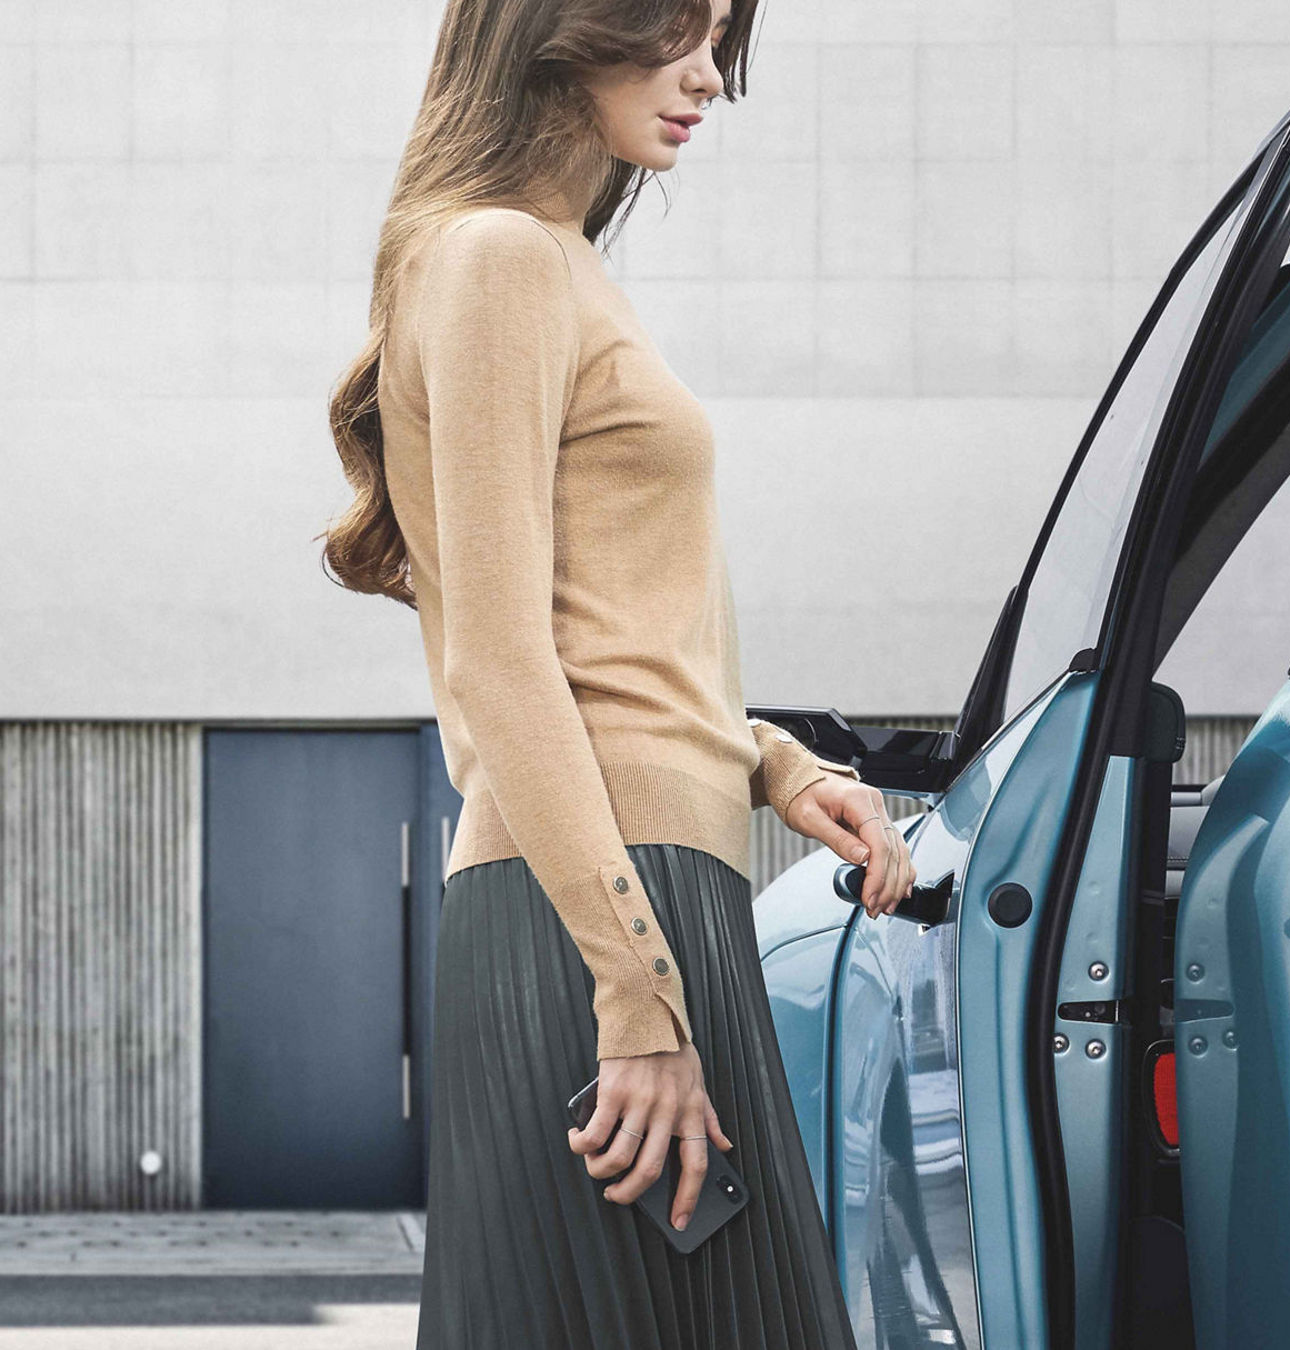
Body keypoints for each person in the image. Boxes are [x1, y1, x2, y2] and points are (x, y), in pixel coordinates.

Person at [317, 0, 911, 1344]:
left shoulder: (554, 263)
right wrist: (637, 989)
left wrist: (772, 764)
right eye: (677, 33)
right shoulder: (497, 259)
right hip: (599, 911)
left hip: (629, 891)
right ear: (562, 28)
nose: (709, 76)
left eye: (721, 41)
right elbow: (504, 657)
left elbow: (608, 634)